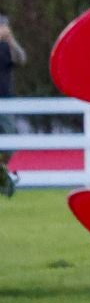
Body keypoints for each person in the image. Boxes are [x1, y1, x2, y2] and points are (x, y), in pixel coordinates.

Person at [0, 16, 22, 197]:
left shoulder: (7, 47)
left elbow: (21, 59)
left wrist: (11, 39)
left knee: (10, 139)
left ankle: (2, 169)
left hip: (6, 99)